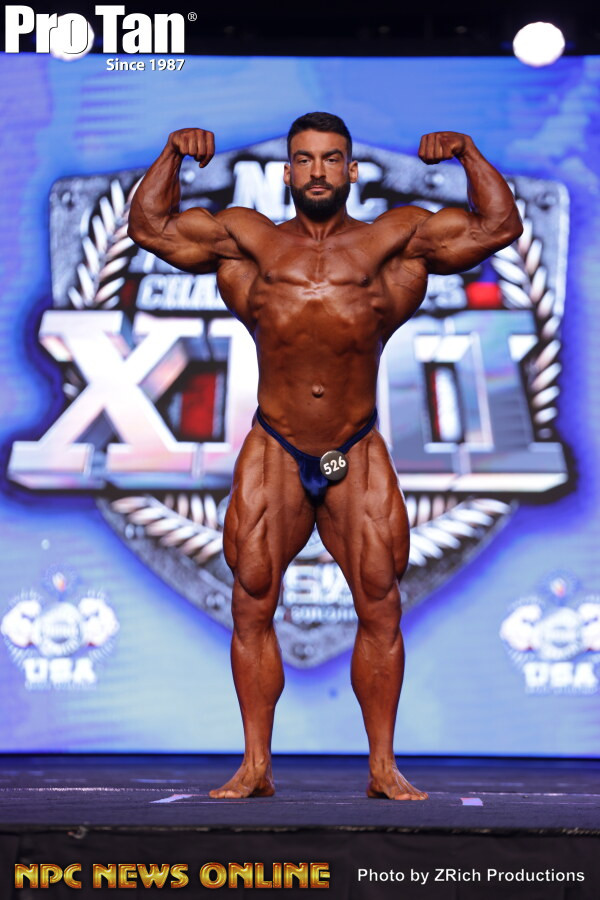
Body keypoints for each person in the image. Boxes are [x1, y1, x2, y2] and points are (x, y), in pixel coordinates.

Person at [128, 112, 522, 800]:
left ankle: (383, 768)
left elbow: (498, 228)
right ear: (288, 171)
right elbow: (151, 228)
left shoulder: (393, 240)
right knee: (252, 599)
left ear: (350, 170)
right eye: (305, 159)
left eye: (331, 159)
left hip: (352, 447)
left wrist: (467, 152)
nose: (317, 171)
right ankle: (255, 765)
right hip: (277, 445)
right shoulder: (247, 239)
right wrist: (170, 155)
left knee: (380, 600)